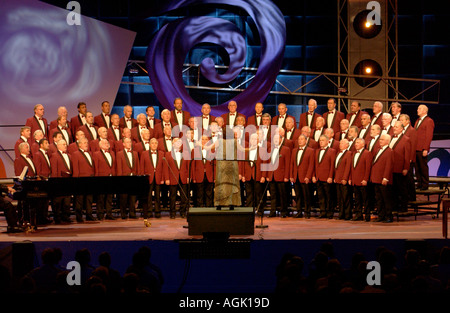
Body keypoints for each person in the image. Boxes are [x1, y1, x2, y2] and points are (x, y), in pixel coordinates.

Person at [213, 130, 242, 210]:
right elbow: (242, 149)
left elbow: (211, 148)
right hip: (231, 164)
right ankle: (232, 204)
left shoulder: (219, 141)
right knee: (232, 183)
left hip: (221, 164)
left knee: (221, 183)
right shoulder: (235, 142)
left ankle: (218, 204)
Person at [241, 133, 267, 215]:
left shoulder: (262, 150)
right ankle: (249, 211)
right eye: (251, 139)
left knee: (259, 194)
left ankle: (260, 210)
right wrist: (243, 175)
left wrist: (263, 176)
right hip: (248, 176)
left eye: (255, 139)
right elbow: (243, 163)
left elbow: (264, 164)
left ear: (258, 140)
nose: (253, 141)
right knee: (249, 194)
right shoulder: (246, 150)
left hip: (258, 175)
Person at [164, 138, 190, 218]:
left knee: (184, 196)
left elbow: (188, 167)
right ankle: (172, 213)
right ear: (172, 144)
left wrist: (188, 177)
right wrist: (167, 178)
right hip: (172, 178)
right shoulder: (168, 154)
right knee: (172, 196)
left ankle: (182, 212)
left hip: (183, 177)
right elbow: (166, 168)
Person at [370, 134, 394, 222]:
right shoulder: (377, 150)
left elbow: (389, 165)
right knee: (379, 199)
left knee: (386, 199)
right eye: (380, 139)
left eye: (382, 140)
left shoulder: (389, 151)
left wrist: (385, 178)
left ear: (387, 141)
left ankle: (388, 216)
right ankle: (381, 215)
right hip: (376, 178)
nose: (380, 141)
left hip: (383, 179)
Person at [290, 134, 314, 218]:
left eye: (302, 139)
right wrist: (291, 175)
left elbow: (311, 165)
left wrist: (308, 176)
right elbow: (292, 164)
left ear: (306, 141)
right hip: (296, 177)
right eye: (299, 139)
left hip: (305, 177)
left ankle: (307, 212)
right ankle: (299, 211)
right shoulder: (294, 150)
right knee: (298, 196)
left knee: (306, 196)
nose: (300, 141)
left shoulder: (310, 151)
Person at [139, 138, 164, 220]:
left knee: (157, 195)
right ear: (149, 145)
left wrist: (163, 178)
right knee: (148, 196)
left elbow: (163, 168)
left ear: (157, 145)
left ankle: (157, 211)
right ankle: (149, 211)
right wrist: (142, 178)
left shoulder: (161, 153)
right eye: (152, 143)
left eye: (155, 143)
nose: (154, 145)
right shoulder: (144, 153)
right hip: (147, 178)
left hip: (158, 177)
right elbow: (141, 167)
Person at [72, 137, 96, 222]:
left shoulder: (89, 153)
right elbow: (75, 168)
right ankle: (79, 217)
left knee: (89, 199)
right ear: (79, 144)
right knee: (80, 200)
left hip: (89, 179)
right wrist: (76, 180)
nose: (86, 144)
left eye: (87, 142)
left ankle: (89, 215)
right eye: (84, 142)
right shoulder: (75, 154)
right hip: (81, 180)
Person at [390, 121, 411, 213]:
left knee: (402, 188)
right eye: (394, 127)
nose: (394, 128)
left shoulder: (406, 139)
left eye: (397, 127)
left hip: (400, 168)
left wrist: (406, 168)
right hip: (392, 168)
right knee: (393, 189)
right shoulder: (390, 138)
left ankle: (403, 206)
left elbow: (407, 155)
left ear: (402, 129)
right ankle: (395, 205)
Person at [312, 135, 336, 219]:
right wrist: (313, 175)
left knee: (329, 196)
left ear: (327, 141)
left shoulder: (332, 151)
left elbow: (332, 165)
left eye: (322, 140)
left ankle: (330, 213)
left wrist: (330, 176)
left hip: (327, 178)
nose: (321, 142)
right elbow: (314, 164)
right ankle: (322, 212)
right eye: (320, 140)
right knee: (321, 196)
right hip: (318, 177)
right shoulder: (317, 151)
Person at [350, 138, 373, 221]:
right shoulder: (353, 154)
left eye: (358, 143)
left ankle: (367, 215)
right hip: (355, 181)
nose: (356, 144)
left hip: (363, 181)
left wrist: (365, 179)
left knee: (365, 199)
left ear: (363, 144)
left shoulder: (367, 153)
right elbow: (352, 168)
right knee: (357, 200)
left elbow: (368, 168)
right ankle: (358, 215)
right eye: (355, 142)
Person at [50, 139, 73, 224]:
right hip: (59, 182)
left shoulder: (69, 156)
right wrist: (56, 182)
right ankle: (58, 218)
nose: (65, 146)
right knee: (58, 202)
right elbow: (54, 170)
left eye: (65, 144)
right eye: (63, 144)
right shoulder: (54, 155)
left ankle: (66, 217)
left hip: (67, 182)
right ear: (58, 146)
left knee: (67, 201)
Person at [116, 137, 139, 219]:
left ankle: (132, 213)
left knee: (133, 197)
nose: (129, 143)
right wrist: (120, 180)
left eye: (130, 142)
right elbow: (119, 168)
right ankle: (123, 213)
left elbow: (137, 167)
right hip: (124, 179)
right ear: (123, 144)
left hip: (133, 178)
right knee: (124, 198)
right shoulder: (119, 154)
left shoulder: (135, 153)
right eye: (127, 142)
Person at [93, 139, 116, 220]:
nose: (107, 144)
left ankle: (109, 213)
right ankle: (100, 214)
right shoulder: (96, 154)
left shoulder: (112, 153)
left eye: (107, 142)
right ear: (100, 145)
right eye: (105, 143)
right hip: (101, 179)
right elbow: (96, 167)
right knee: (101, 198)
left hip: (110, 178)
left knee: (109, 197)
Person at [414, 105, 434, 190]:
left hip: (422, 148)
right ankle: (419, 183)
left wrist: (426, 148)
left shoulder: (429, 121)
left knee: (423, 167)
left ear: (425, 111)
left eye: (419, 109)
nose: (417, 110)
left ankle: (425, 184)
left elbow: (429, 136)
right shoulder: (417, 120)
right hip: (416, 148)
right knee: (417, 167)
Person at [192, 135, 215, 207]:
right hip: (199, 175)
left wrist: (215, 177)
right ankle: (200, 210)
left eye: (206, 139)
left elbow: (215, 165)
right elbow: (193, 165)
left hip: (209, 175)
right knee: (199, 194)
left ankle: (209, 210)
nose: (204, 141)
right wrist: (194, 177)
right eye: (202, 139)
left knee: (209, 194)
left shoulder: (212, 150)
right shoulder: (194, 150)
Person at [334, 139, 352, 220]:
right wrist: (335, 177)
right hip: (338, 179)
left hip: (343, 179)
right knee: (340, 198)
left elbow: (348, 167)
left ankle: (347, 215)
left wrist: (345, 178)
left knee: (346, 198)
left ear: (347, 145)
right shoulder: (338, 153)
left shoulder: (348, 154)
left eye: (342, 143)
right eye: (340, 143)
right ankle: (341, 214)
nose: (340, 144)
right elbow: (336, 167)